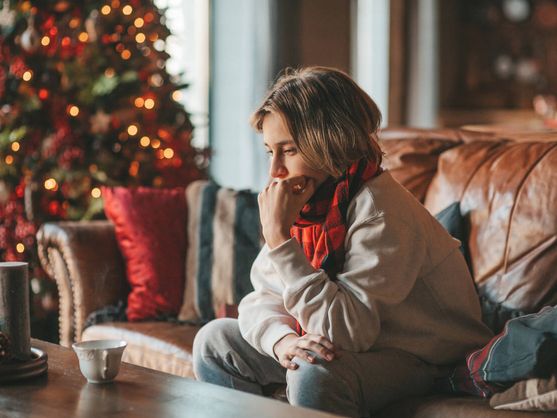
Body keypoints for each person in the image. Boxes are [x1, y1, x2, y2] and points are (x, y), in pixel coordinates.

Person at [192, 66, 492, 417]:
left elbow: (348, 333)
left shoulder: (381, 212)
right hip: (356, 346)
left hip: (425, 358)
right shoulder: (308, 205)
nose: (274, 171)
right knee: (214, 342)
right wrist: (283, 341)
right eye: (269, 151)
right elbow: (262, 298)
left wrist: (279, 239)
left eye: (287, 151)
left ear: (328, 142)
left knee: (314, 374)